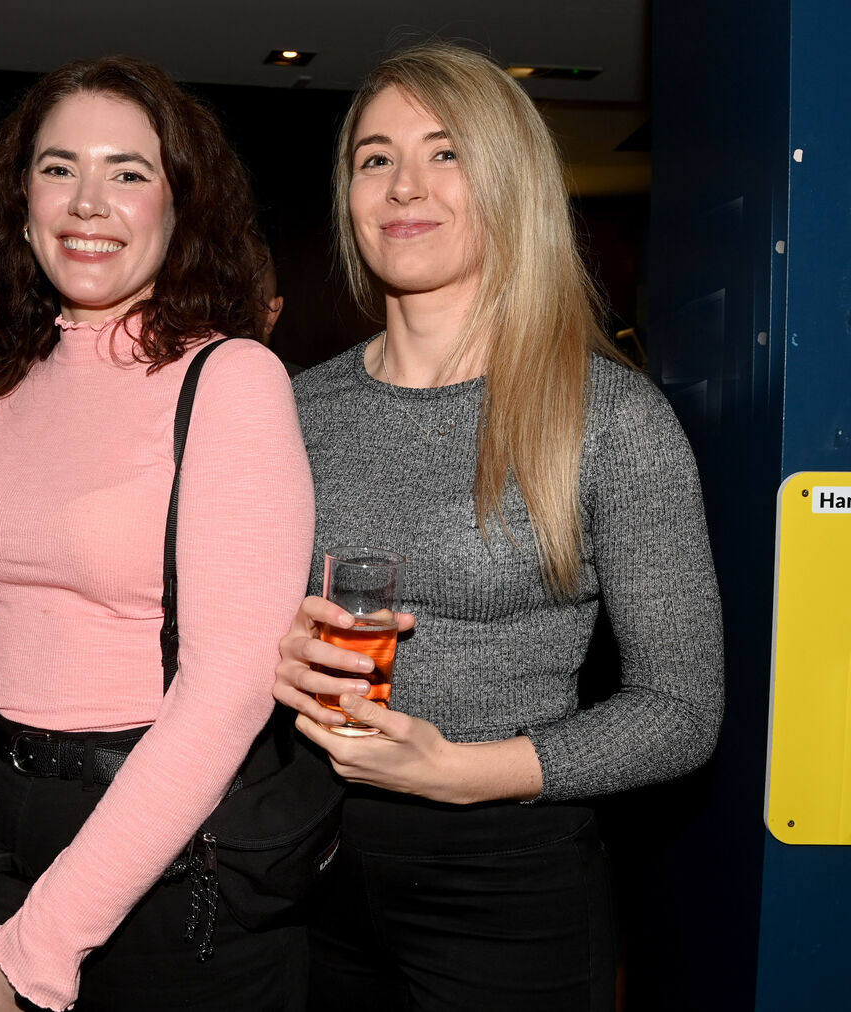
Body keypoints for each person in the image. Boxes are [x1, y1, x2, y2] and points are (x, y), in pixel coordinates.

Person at [273, 44, 724, 1011]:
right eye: (374, 157)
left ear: (509, 186)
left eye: (446, 154)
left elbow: (683, 713)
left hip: (509, 883)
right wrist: (270, 659)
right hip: (303, 859)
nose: (404, 186)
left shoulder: (609, 418)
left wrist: (462, 773)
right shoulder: (292, 409)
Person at [0, 56, 313, 1012]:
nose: (89, 202)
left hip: (167, 852)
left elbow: (229, 689)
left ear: (179, 205)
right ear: (20, 200)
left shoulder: (231, 380)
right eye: (58, 168)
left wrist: (39, 940)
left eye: (129, 172)